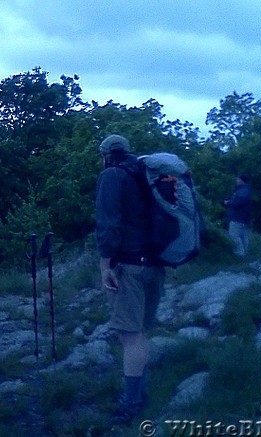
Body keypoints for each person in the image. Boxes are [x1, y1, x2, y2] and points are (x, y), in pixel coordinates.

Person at [94, 134, 165, 426]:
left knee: (130, 336)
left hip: (129, 266)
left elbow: (108, 223)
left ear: (106, 155)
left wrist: (105, 265)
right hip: (156, 264)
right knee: (140, 332)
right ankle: (141, 393)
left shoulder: (112, 175)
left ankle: (130, 405)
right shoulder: (146, 173)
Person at [223, 174, 252, 257]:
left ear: (241, 180)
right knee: (243, 236)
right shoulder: (246, 190)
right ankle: (245, 254)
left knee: (234, 236)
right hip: (244, 218)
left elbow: (238, 202)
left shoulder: (243, 190)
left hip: (237, 217)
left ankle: (239, 254)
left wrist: (228, 202)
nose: (236, 181)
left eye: (238, 179)